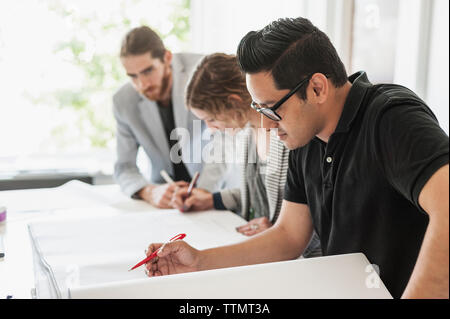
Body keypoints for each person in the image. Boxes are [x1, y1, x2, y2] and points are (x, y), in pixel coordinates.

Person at [143, 18, 449, 299]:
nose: (265, 124)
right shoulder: (305, 138)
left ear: (317, 88)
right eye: (259, 109)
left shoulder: (389, 117)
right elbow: (289, 236)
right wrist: (199, 260)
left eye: (272, 109)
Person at [170, 53, 321, 256]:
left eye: (212, 119)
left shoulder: (288, 136)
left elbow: (314, 212)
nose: (211, 129)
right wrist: (210, 200)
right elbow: (256, 195)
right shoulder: (247, 133)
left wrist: (279, 232)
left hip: (296, 258)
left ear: (233, 103)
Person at [113, 26, 232, 208]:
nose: (142, 84)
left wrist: (204, 191)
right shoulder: (123, 101)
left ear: (167, 58)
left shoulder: (203, 72)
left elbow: (225, 137)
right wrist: (149, 191)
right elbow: (124, 167)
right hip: (164, 198)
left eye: (148, 71)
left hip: (214, 189)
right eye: (132, 76)